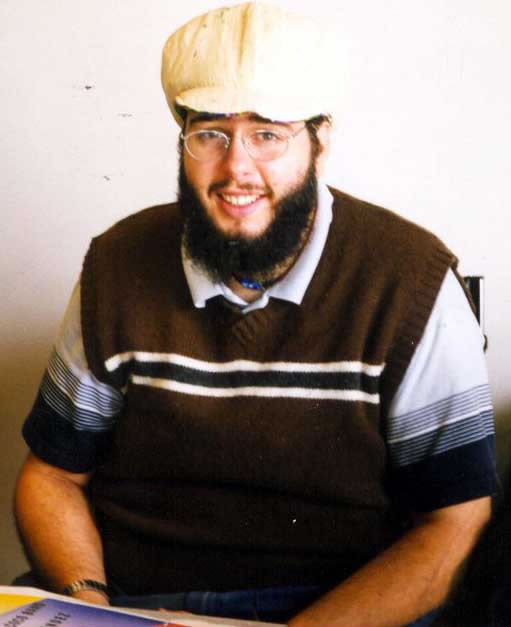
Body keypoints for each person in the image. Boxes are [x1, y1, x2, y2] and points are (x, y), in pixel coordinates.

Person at [14, 3, 497, 626]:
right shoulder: (117, 263)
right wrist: (91, 606)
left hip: (335, 610)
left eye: (268, 134)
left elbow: (456, 523)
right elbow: (53, 476)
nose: (236, 168)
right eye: (210, 133)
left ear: (320, 141)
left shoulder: (412, 280)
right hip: (138, 602)